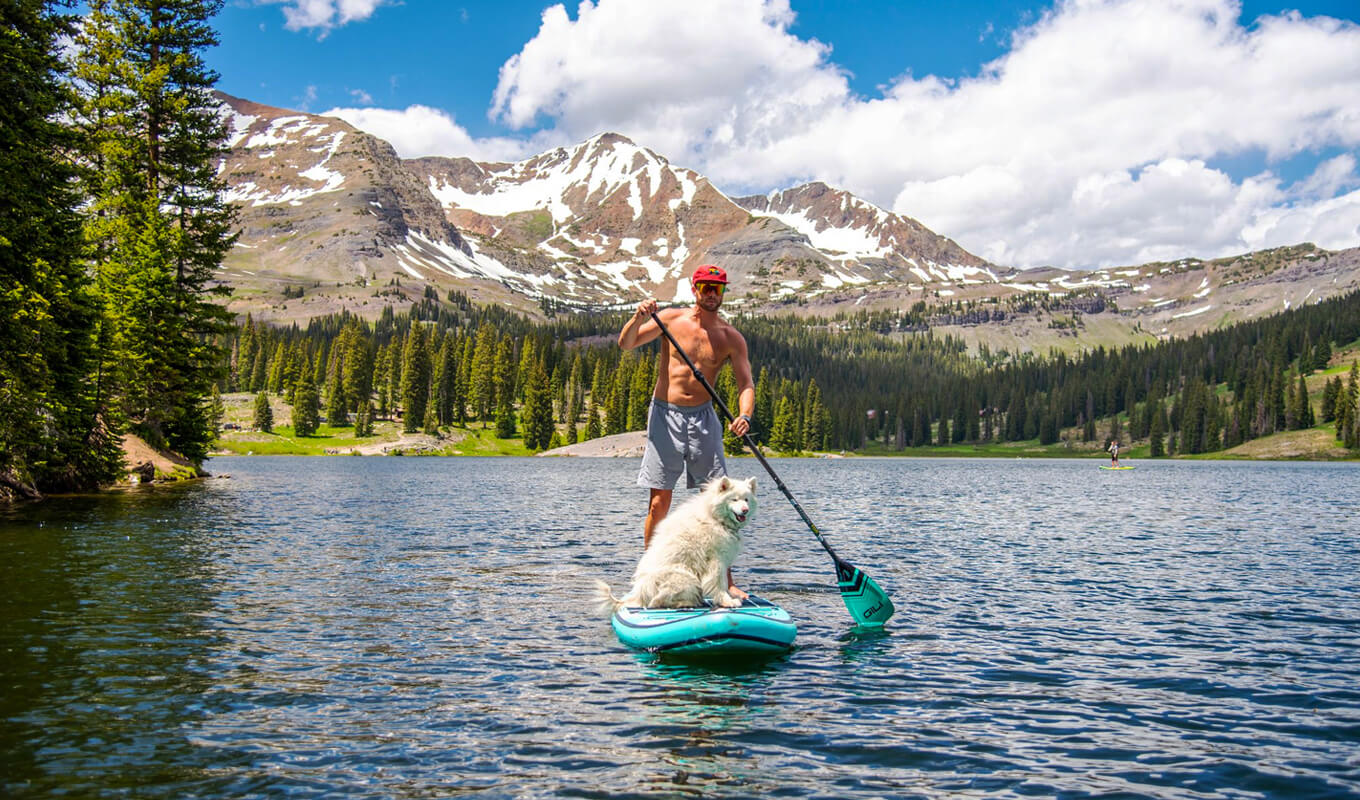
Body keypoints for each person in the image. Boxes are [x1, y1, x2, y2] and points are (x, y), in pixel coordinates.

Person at [618, 264, 757, 601]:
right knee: (658, 502)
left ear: (723, 292)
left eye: (718, 288)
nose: (711, 293)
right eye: (706, 287)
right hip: (665, 415)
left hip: (704, 420)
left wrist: (745, 416)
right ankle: (651, 578)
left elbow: (746, 383)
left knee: (718, 501)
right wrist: (638, 317)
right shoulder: (671, 320)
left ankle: (724, 581)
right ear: (695, 289)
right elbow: (626, 344)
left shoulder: (730, 337)